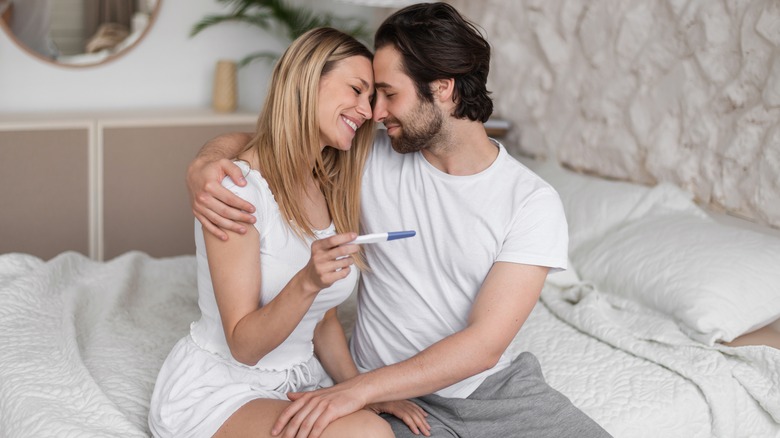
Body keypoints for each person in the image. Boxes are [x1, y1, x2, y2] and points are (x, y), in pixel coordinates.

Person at [186, 3, 613, 438]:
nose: (375, 112)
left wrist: (356, 390)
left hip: (485, 391)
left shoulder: (531, 202)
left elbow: (483, 346)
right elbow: (279, 140)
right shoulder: (366, 156)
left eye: (389, 94)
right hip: (384, 396)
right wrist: (207, 162)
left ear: (443, 89)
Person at [148, 27, 430, 438]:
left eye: (371, 99)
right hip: (224, 390)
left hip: (297, 381)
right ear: (307, 81)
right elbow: (244, 346)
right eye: (356, 90)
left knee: (370, 423)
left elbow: (324, 320)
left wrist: (362, 391)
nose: (368, 112)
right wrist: (308, 280)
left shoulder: (328, 184)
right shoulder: (237, 190)